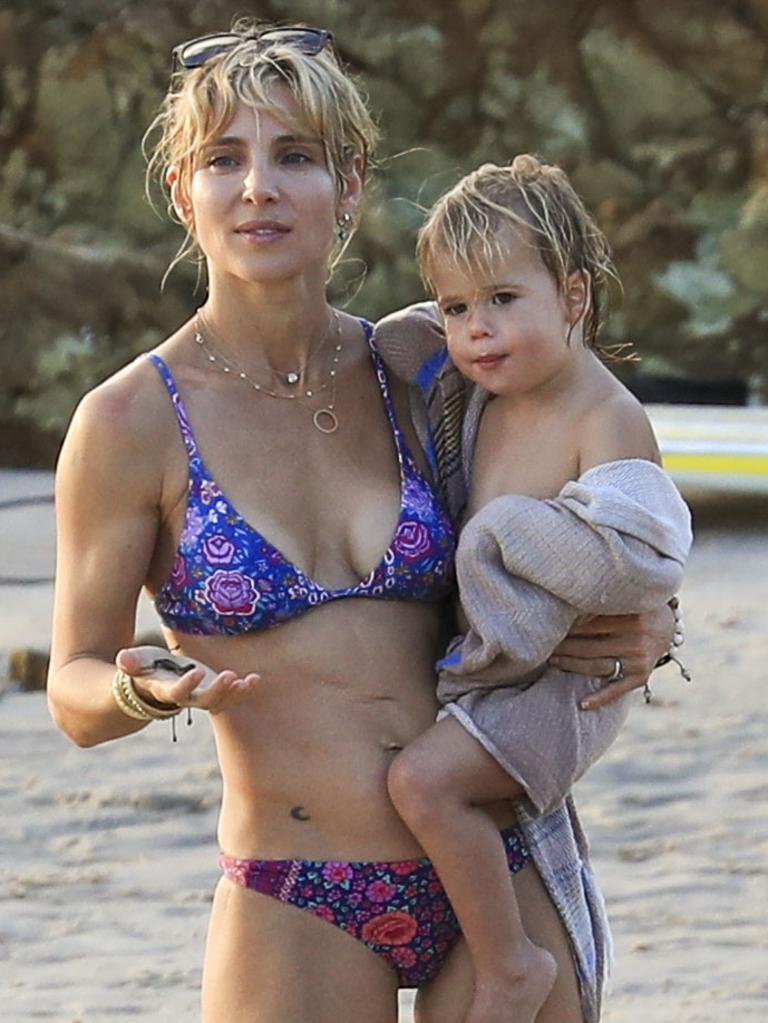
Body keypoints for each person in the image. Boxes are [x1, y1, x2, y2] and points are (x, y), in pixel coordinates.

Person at [46, 22, 678, 1023]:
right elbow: (72, 685)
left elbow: (594, 483)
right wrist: (144, 690)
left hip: (499, 859)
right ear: (182, 191)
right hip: (297, 891)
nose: (259, 187)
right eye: (224, 159)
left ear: (349, 186)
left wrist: (655, 622)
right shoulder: (127, 424)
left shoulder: (427, 367)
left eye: (295, 156)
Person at [384, 157, 692, 1023]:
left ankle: (511, 963)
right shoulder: (481, 396)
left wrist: (505, 540)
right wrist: (445, 313)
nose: (476, 330)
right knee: (431, 784)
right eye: (456, 307)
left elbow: (641, 550)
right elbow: (392, 346)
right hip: (504, 681)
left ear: (576, 296)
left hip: (564, 690)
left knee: (423, 783)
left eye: (503, 300)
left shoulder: (604, 413)